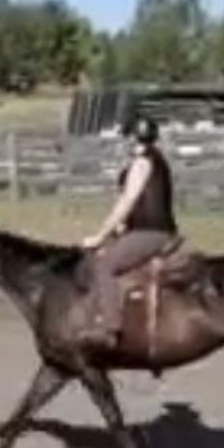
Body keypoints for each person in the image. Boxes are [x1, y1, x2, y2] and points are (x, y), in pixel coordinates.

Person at [78, 115, 178, 347]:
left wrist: (100, 235)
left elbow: (127, 201)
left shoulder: (142, 162)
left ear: (133, 138)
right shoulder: (155, 159)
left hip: (151, 233)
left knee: (105, 264)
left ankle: (110, 328)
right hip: (148, 229)